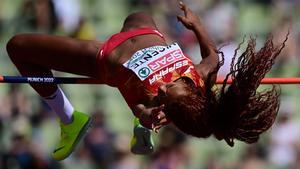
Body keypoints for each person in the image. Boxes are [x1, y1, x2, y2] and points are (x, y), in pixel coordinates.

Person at [5, 1, 287, 161]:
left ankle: (69, 119)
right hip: (145, 31)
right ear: (193, 92)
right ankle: (141, 129)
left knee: (17, 46)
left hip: (104, 56)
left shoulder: (153, 103)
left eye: (162, 95)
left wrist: (146, 117)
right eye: (169, 90)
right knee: (138, 13)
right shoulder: (199, 78)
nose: (162, 89)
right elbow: (212, 56)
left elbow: (146, 108)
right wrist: (197, 26)